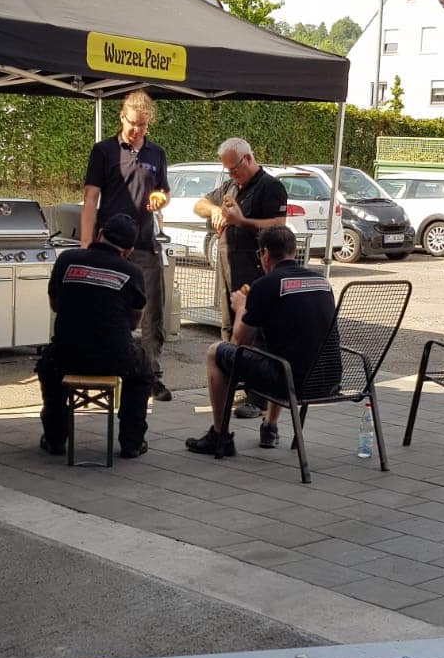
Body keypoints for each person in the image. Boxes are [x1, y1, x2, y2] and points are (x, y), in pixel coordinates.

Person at [185, 224, 338, 458]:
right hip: (328, 379)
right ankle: (270, 426)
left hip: (290, 382)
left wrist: (241, 308)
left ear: (265, 253)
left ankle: (219, 435)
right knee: (277, 347)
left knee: (216, 352)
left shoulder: (265, 285)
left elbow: (239, 343)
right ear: (294, 250)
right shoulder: (322, 282)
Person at [37, 213, 153, 459]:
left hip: (66, 355)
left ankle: (55, 438)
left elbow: (55, 304)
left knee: (47, 366)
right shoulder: (132, 272)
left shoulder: (67, 259)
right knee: (143, 369)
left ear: (100, 234)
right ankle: (132, 442)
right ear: (129, 250)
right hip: (115, 358)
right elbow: (134, 322)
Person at [81, 90, 172, 400]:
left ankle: (150, 375)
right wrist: (86, 243)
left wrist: (160, 198)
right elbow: (90, 198)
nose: (137, 131)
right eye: (133, 124)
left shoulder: (157, 153)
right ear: (121, 117)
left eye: (143, 125)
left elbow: (163, 192)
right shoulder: (103, 151)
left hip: (145, 244)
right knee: (105, 309)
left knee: (150, 312)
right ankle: (103, 369)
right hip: (108, 247)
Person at [193, 137, 287, 419]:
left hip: (254, 269)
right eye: (228, 170)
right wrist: (215, 210)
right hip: (227, 265)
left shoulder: (270, 187)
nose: (232, 174)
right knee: (228, 326)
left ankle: (258, 397)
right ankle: (230, 383)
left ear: (248, 158)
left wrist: (242, 222)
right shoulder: (230, 187)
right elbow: (199, 204)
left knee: (254, 330)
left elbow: (279, 225)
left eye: (235, 168)